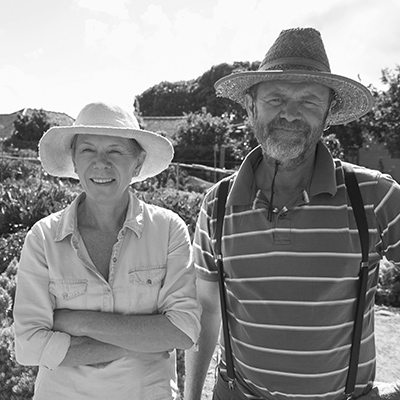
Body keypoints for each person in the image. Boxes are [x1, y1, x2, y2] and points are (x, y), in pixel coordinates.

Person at [184, 28, 400, 400]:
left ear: (329, 114)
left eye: (309, 102)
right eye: (276, 98)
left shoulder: (375, 196)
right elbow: (206, 311)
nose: (290, 113)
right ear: (251, 106)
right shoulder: (217, 204)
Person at [13, 101, 202, 400]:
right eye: (87, 150)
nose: (101, 163)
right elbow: (28, 345)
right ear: (74, 161)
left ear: (137, 163)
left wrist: (75, 321)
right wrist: (136, 342)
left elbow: (183, 330)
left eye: (115, 151)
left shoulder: (168, 229)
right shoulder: (44, 237)